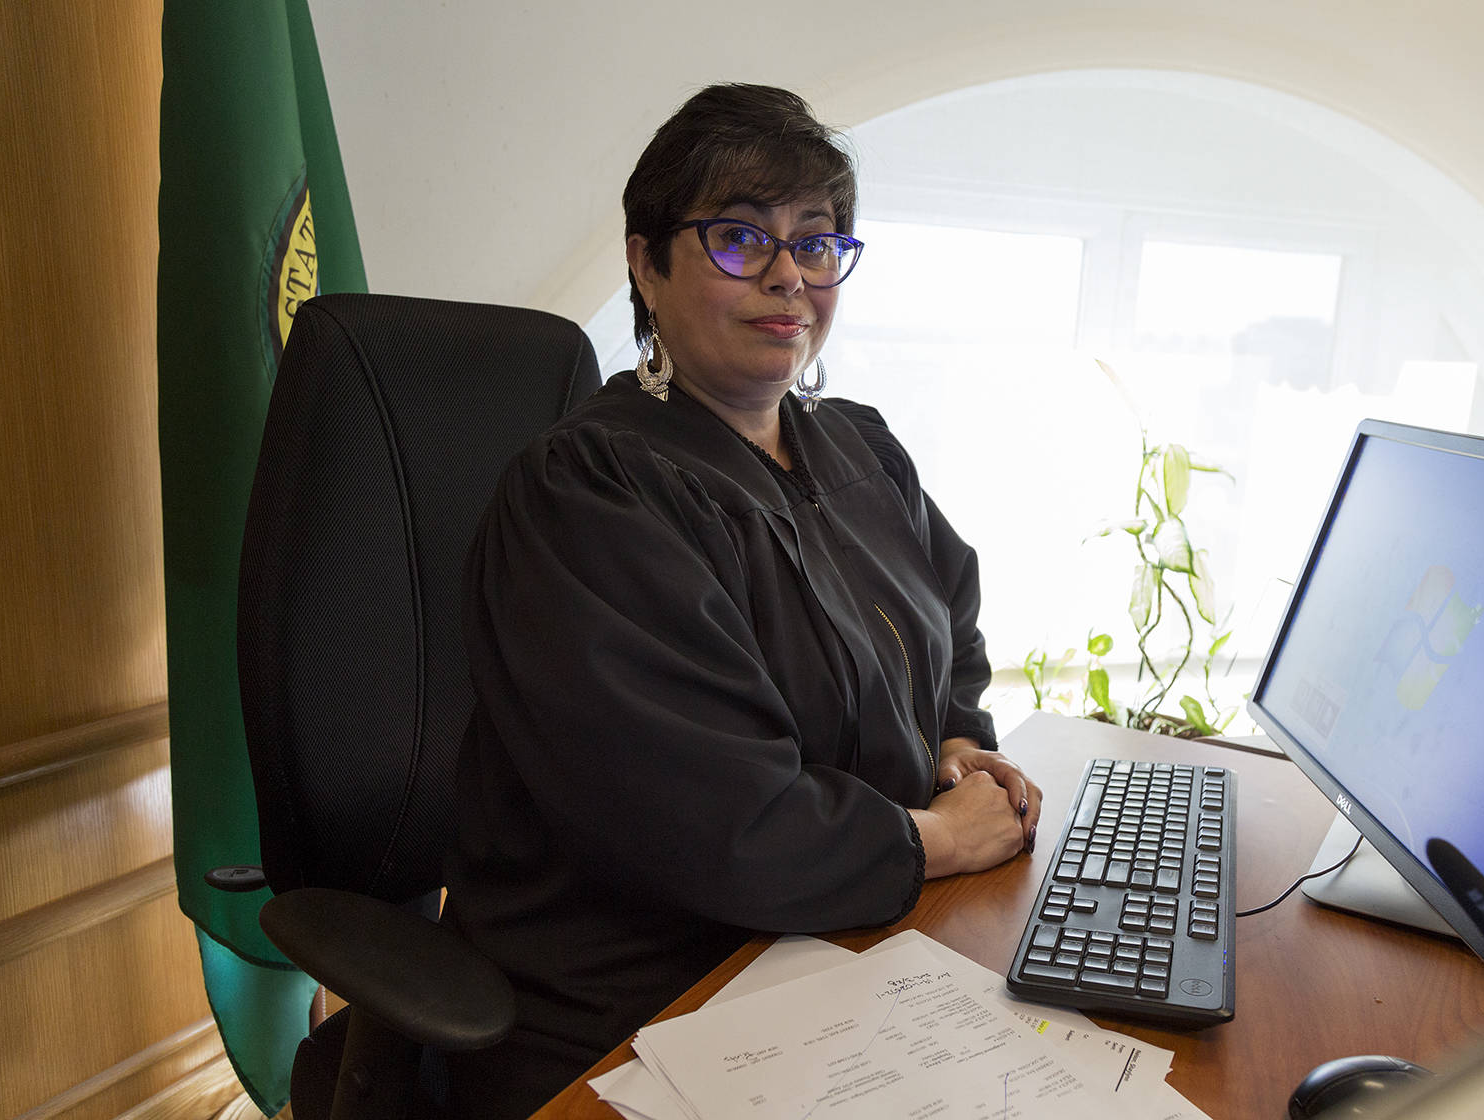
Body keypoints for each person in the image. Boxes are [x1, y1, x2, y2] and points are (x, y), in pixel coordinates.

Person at [442, 83, 1043, 1118]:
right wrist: (934, 840)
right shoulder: (590, 491)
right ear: (645, 261)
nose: (789, 279)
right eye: (737, 238)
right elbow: (714, 817)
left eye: (817, 242)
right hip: (648, 1005)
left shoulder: (857, 445)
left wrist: (953, 742)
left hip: (841, 951)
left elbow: (947, 626)